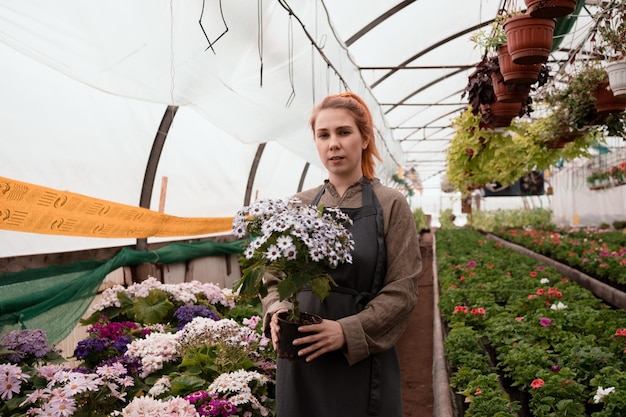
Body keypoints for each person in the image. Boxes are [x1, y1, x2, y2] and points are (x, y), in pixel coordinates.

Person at [261, 92, 422, 417]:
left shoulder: (390, 204)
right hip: (301, 362)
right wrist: (277, 311)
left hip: (361, 362)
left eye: (343, 132)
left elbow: (402, 291)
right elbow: (273, 277)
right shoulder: (298, 205)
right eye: (324, 135)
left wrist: (348, 331)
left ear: (364, 138)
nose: (333, 143)